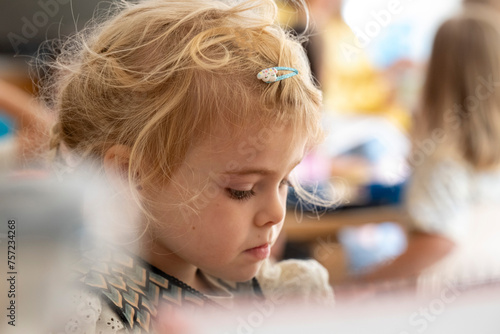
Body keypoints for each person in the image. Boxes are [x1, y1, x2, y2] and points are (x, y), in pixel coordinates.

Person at [41, 0, 334, 333]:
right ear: (130, 175)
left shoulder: (276, 293)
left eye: (284, 181)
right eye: (243, 190)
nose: (276, 213)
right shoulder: (89, 316)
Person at [359, 6, 500, 293]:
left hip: (445, 306)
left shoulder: (441, 159)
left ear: (438, 75)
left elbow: (437, 244)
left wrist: (359, 284)